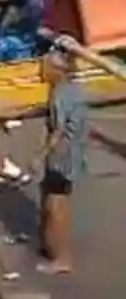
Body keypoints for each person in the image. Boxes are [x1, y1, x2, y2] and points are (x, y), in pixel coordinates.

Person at [38, 49, 88, 274]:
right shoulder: (75, 90)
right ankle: (52, 247)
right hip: (73, 154)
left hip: (61, 156)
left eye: (45, 66)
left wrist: (39, 156)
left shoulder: (59, 94)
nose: (42, 71)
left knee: (56, 206)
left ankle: (62, 258)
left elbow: (58, 131)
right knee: (56, 201)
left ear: (57, 70)